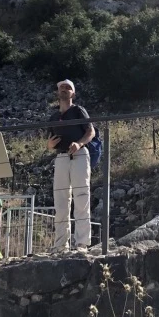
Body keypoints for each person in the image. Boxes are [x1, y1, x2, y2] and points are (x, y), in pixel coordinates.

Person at [47, 79, 95, 251]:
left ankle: (82, 242)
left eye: (68, 88)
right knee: (60, 200)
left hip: (79, 155)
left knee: (81, 197)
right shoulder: (53, 117)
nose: (65, 90)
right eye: (62, 87)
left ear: (73, 93)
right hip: (61, 157)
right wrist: (49, 146)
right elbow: (50, 140)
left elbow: (91, 131)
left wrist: (79, 144)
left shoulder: (78, 111)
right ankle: (61, 244)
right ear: (57, 92)